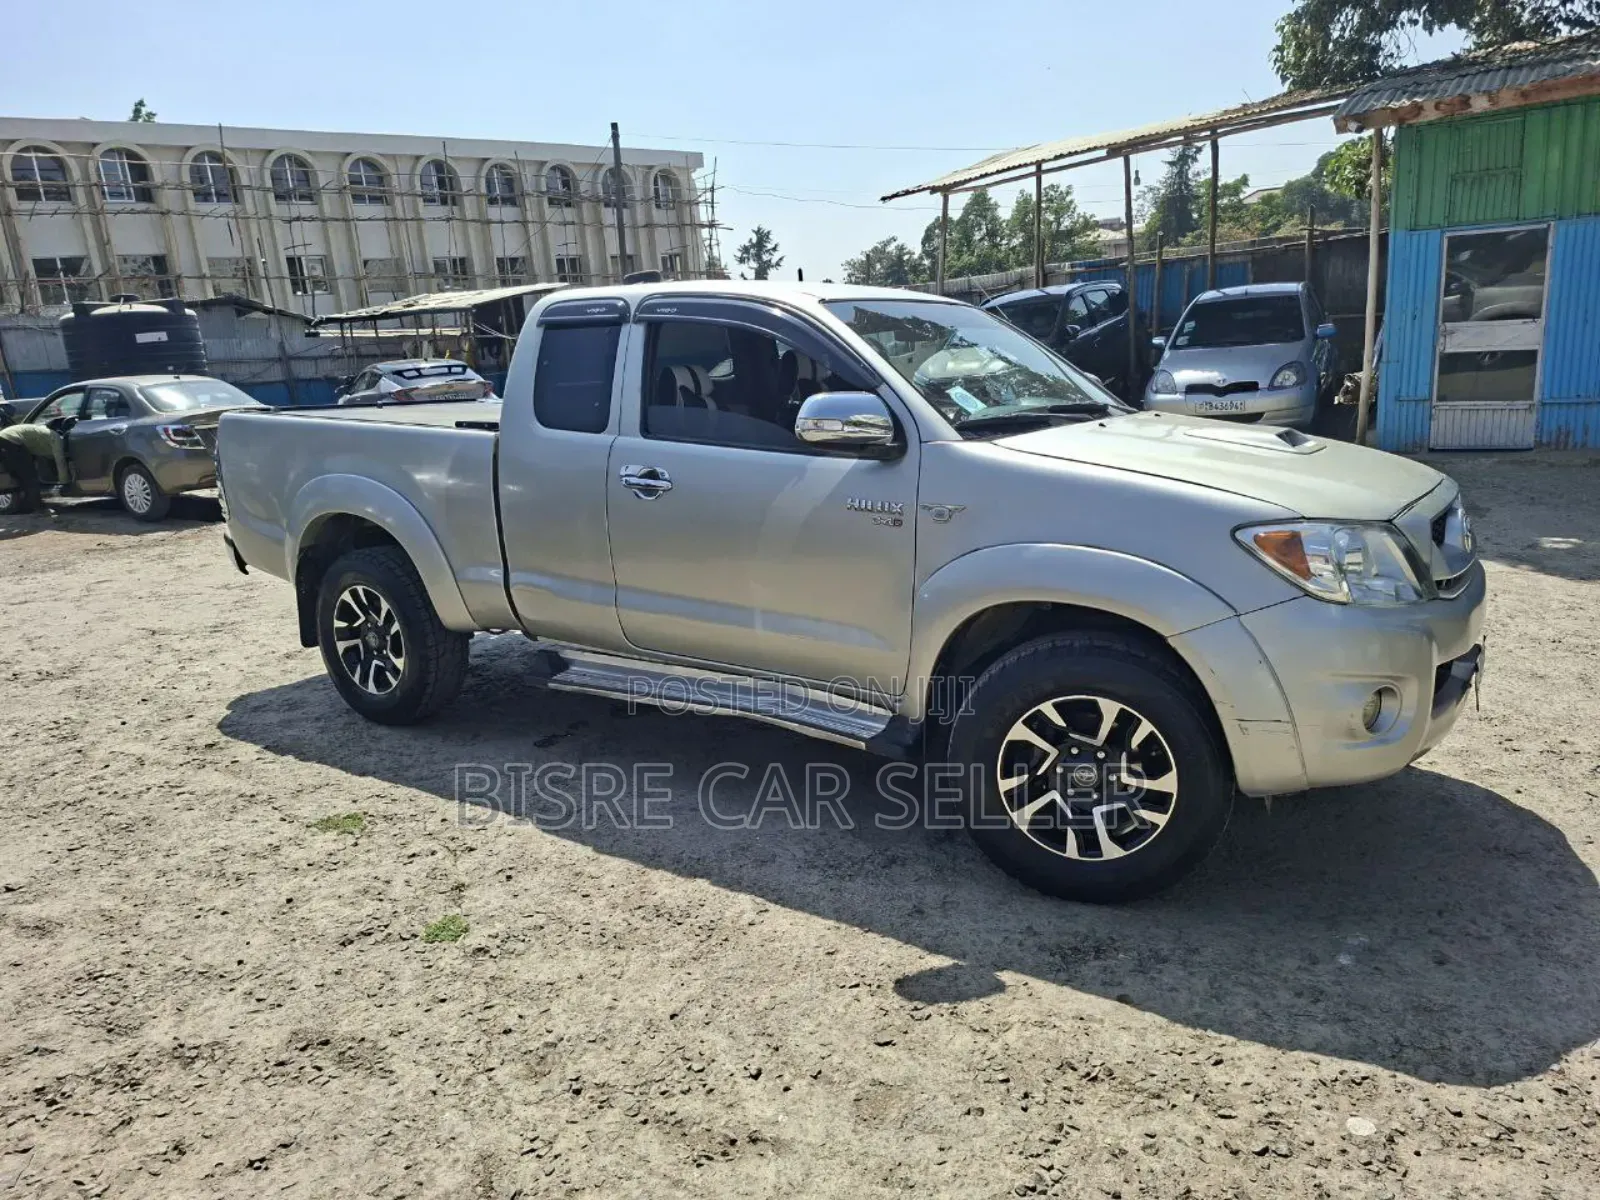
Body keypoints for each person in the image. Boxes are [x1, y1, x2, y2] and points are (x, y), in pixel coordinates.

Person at [0, 421, 70, 509]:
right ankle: (35, 505)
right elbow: (60, 460)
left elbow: (32, 451)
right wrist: (64, 482)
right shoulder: (56, 439)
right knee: (30, 476)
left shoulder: (41, 430)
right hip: (12, 442)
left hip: (4, 437)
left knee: (17, 472)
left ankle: (22, 499)